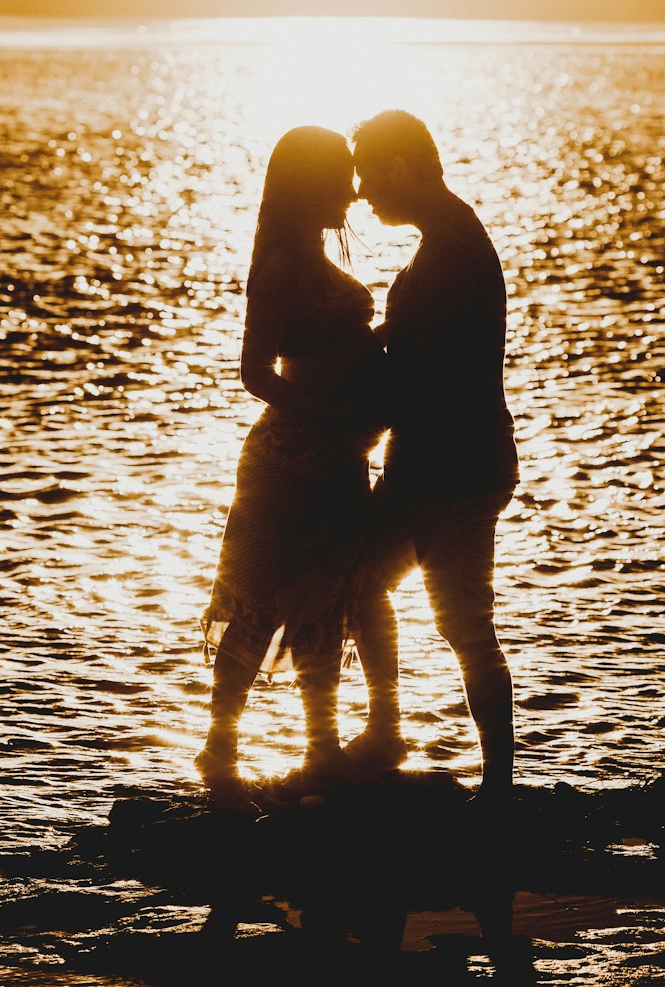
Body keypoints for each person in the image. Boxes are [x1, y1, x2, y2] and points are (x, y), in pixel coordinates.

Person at [197, 125, 388, 807]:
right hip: (285, 467)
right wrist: (324, 412)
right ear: (311, 182)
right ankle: (219, 755)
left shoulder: (316, 261)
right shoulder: (279, 267)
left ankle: (323, 751)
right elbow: (254, 371)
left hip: (339, 468)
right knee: (258, 607)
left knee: (324, 609)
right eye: (340, 174)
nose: (353, 188)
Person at [346, 109, 519, 805]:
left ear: (397, 167)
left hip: (456, 470)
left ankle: (499, 790)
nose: (360, 192)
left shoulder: (451, 252)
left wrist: (343, 415)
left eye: (366, 174)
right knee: (359, 580)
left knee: (463, 623)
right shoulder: (445, 240)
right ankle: (386, 728)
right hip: (427, 465)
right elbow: (414, 343)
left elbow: (429, 368)